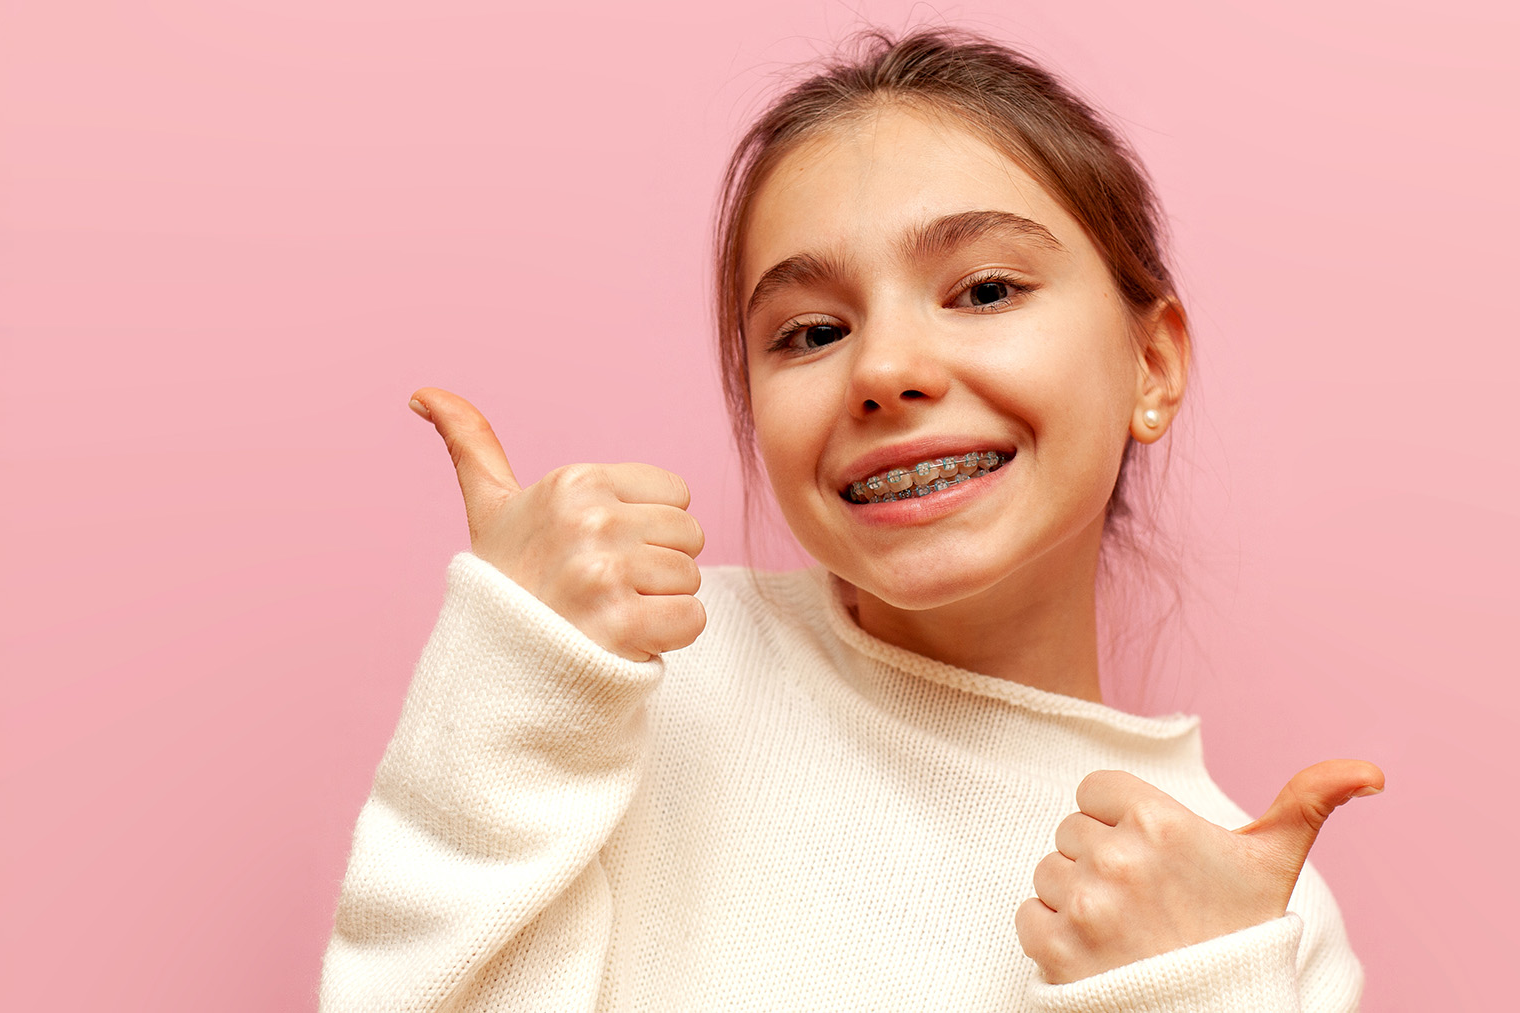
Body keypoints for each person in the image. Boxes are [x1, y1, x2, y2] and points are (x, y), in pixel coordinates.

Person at [318, 26, 1383, 1012]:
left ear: (1151, 364)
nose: (883, 370)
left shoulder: (1247, 911)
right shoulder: (630, 690)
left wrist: (1193, 990)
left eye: (984, 290)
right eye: (812, 330)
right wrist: (522, 674)